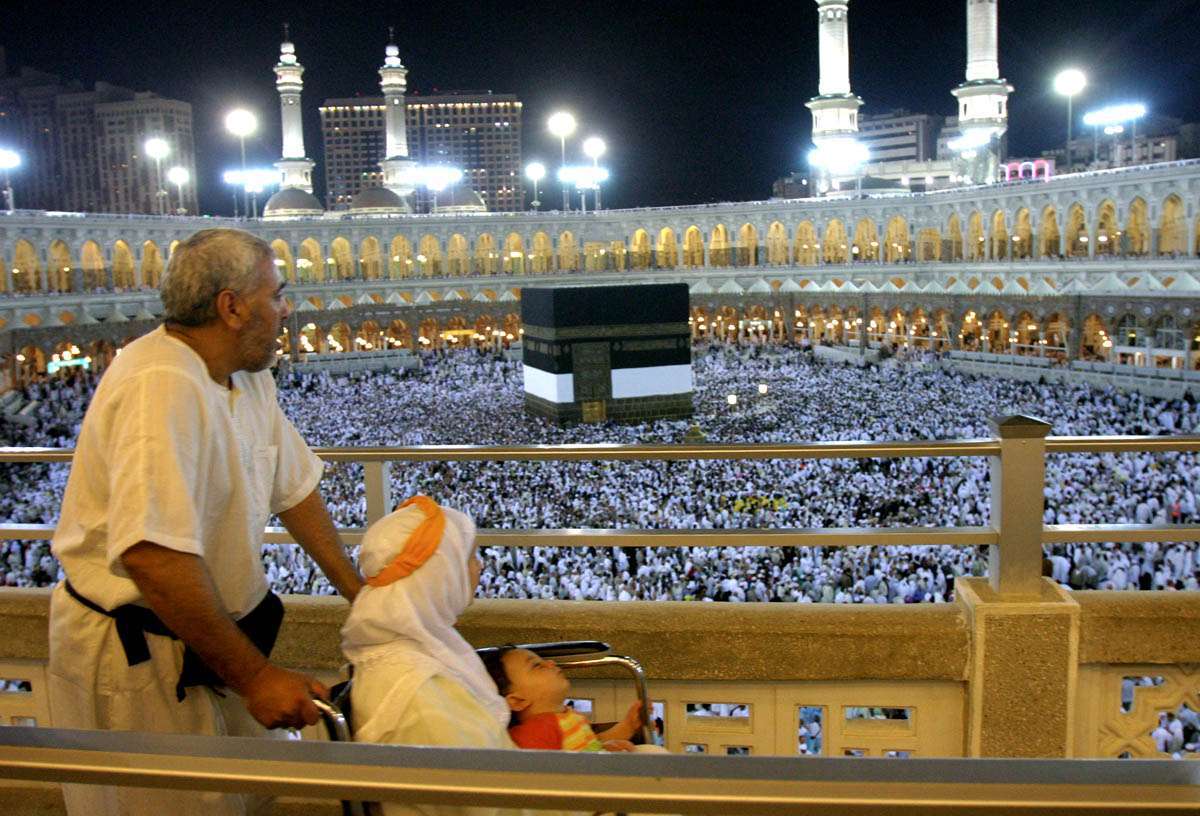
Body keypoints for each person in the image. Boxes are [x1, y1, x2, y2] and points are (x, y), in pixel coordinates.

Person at [47, 228, 364, 816]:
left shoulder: (245, 373)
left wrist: (360, 593)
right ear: (232, 306)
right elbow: (152, 556)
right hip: (143, 656)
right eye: (277, 293)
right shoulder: (161, 385)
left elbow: (292, 488)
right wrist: (256, 677)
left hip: (216, 641)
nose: (286, 308)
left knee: (247, 798)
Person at [342, 496, 574, 816]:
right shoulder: (420, 696)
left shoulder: (411, 652)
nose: (479, 566)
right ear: (442, 575)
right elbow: (491, 806)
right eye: (469, 557)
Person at [482, 646, 643, 752]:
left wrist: (627, 727)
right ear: (518, 701)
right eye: (537, 666)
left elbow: (587, 744)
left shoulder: (565, 717)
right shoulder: (534, 734)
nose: (550, 663)